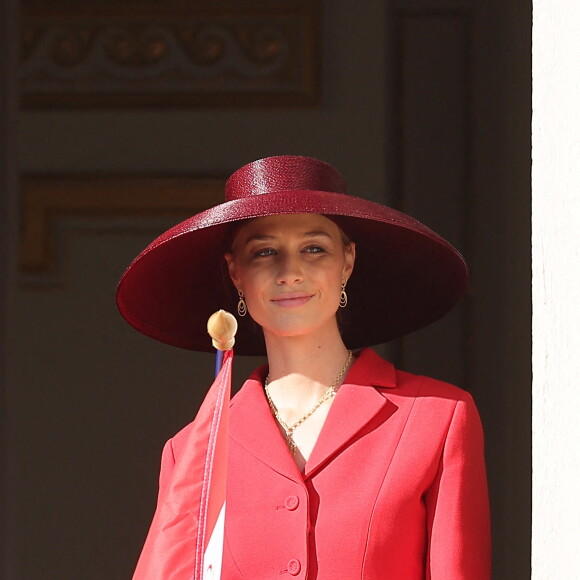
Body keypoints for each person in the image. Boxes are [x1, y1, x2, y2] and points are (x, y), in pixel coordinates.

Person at [117, 155, 491, 579]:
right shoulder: (191, 452)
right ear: (236, 272)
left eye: (314, 248)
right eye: (264, 252)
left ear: (347, 262)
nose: (289, 272)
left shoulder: (437, 417)